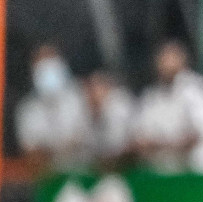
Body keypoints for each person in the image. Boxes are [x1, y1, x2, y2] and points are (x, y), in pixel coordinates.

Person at [134, 39, 203, 174]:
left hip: (197, 172)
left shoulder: (197, 89)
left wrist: (159, 144)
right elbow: (141, 140)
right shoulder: (151, 96)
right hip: (163, 173)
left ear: (182, 60)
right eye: (162, 59)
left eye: (171, 58)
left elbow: (198, 136)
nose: (165, 63)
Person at [15, 44, 90, 172]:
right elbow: (32, 155)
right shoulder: (27, 110)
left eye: (51, 65)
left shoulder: (83, 97)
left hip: (88, 172)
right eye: (43, 68)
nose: (49, 72)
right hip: (51, 177)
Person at [82, 70, 137, 168]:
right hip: (98, 164)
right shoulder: (87, 110)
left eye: (96, 88)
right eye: (90, 90)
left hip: (126, 164)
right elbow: (87, 146)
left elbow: (121, 143)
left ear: (107, 88)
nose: (93, 94)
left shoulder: (121, 104)